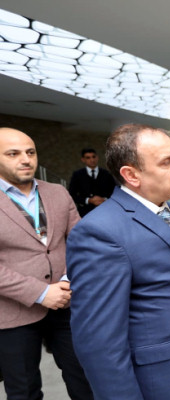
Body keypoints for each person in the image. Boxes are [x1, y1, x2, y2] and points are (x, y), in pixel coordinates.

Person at [66, 124, 170, 400]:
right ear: (131, 175)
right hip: (160, 384)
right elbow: (100, 345)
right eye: (166, 162)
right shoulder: (99, 231)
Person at [0, 127, 94, 400]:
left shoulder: (58, 193)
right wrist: (41, 293)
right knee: (24, 391)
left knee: (86, 379)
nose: (25, 159)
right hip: (13, 312)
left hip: (67, 303)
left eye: (30, 152)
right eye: (13, 154)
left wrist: (67, 281)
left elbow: (82, 243)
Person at [68, 147, 116, 217]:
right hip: (85, 213)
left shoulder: (107, 174)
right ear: (83, 160)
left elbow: (114, 191)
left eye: (93, 157)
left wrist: (104, 199)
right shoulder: (77, 175)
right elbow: (72, 194)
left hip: (105, 211)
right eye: (88, 158)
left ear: (97, 158)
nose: (92, 160)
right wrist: (88, 200)